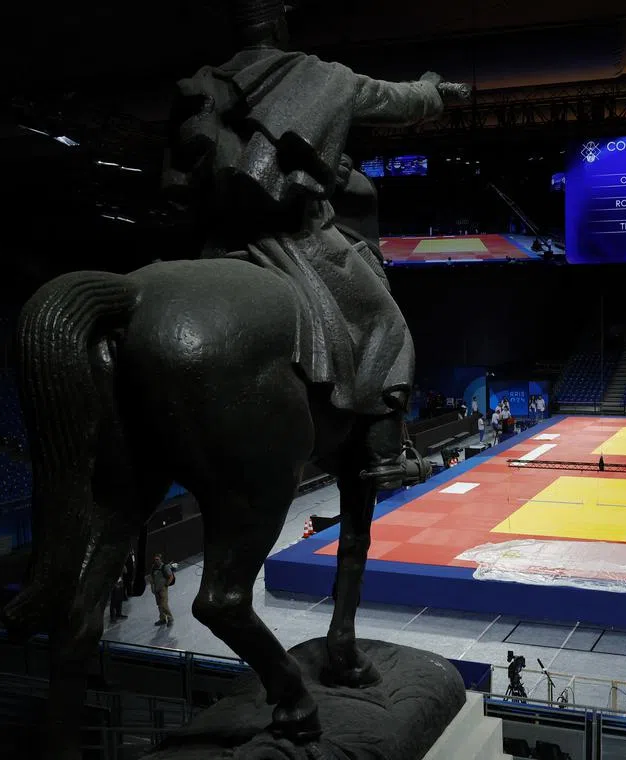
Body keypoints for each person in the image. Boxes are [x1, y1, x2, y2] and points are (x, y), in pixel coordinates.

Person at [164, 0, 469, 490]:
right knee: (386, 325)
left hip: (212, 241)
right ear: (278, 25)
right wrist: (432, 89)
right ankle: (385, 456)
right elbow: (397, 101)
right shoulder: (317, 75)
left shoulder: (201, 84)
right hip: (293, 236)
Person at [149, 554, 175, 627]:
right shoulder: (153, 568)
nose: (156, 561)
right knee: (159, 605)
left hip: (163, 589)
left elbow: (171, 576)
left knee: (164, 604)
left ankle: (170, 618)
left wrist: (166, 585)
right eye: (155, 559)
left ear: (161, 559)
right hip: (156, 589)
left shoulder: (164, 567)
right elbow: (152, 579)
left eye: (157, 559)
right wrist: (152, 587)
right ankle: (162, 619)